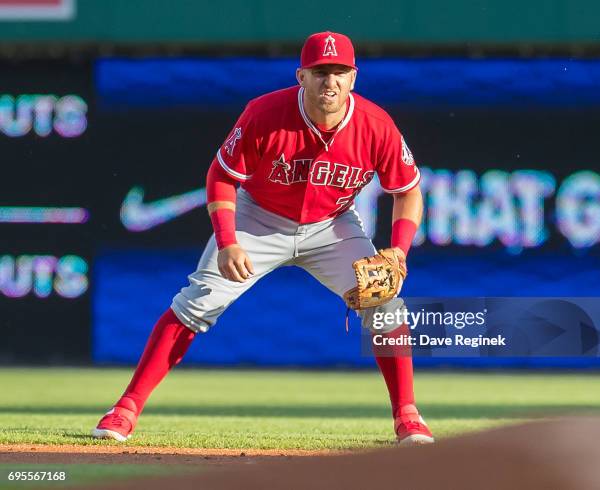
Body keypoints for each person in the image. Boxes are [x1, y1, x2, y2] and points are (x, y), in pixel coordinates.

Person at [92, 31, 434, 445]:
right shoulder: (265, 113)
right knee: (198, 302)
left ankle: (408, 416)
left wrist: (398, 247)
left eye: (340, 72)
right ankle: (125, 408)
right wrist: (227, 239)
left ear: (354, 78)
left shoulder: (375, 125)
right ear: (301, 77)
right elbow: (220, 176)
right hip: (259, 218)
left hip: (333, 226)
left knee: (386, 307)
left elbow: (408, 191)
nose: (331, 81)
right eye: (321, 72)